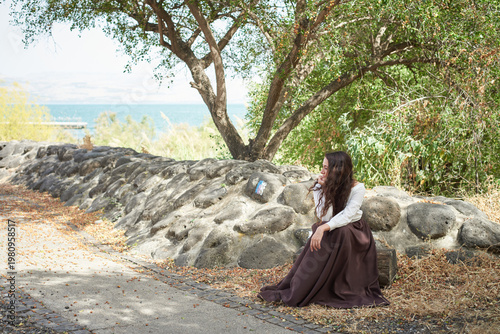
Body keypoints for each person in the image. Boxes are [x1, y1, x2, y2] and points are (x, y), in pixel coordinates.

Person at [258, 151, 389, 308]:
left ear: (337, 169)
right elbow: (324, 216)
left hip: (354, 232)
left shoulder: (358, 188)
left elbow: (347, 216)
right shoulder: (325, 184)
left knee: (338, 231)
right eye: (323, 167)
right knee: (330, 231)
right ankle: (305, 286)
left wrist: (321, 229)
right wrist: (322, 189)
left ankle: (336, 286)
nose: (322, 171)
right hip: (332, 228)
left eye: (326, 167)